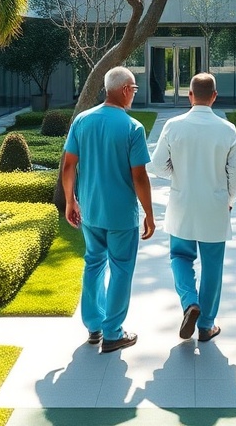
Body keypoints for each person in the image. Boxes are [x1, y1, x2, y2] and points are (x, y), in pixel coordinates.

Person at [62, 66, 155, 353]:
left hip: (91, 211)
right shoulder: (132, 127)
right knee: (121, 269)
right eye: (134, 89)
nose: (134, 94)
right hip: (121, 215)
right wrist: (150, 214)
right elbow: (139, 176)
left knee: (93, 263)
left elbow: (68, 165)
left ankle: (94, 327)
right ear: (125, 89)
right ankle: (113, 332)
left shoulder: (82, 120)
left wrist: (70, 201)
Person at [149, 72, 236, 343]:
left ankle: (190, 301)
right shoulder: (227, 129)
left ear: (189, 95)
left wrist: (176, 174)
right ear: (214, 96)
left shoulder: (173, 126)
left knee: (180, 257)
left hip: (183, 203)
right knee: (213, 266)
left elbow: (156, 165)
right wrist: (230, 201)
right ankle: (206, 325)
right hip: (215, 205)